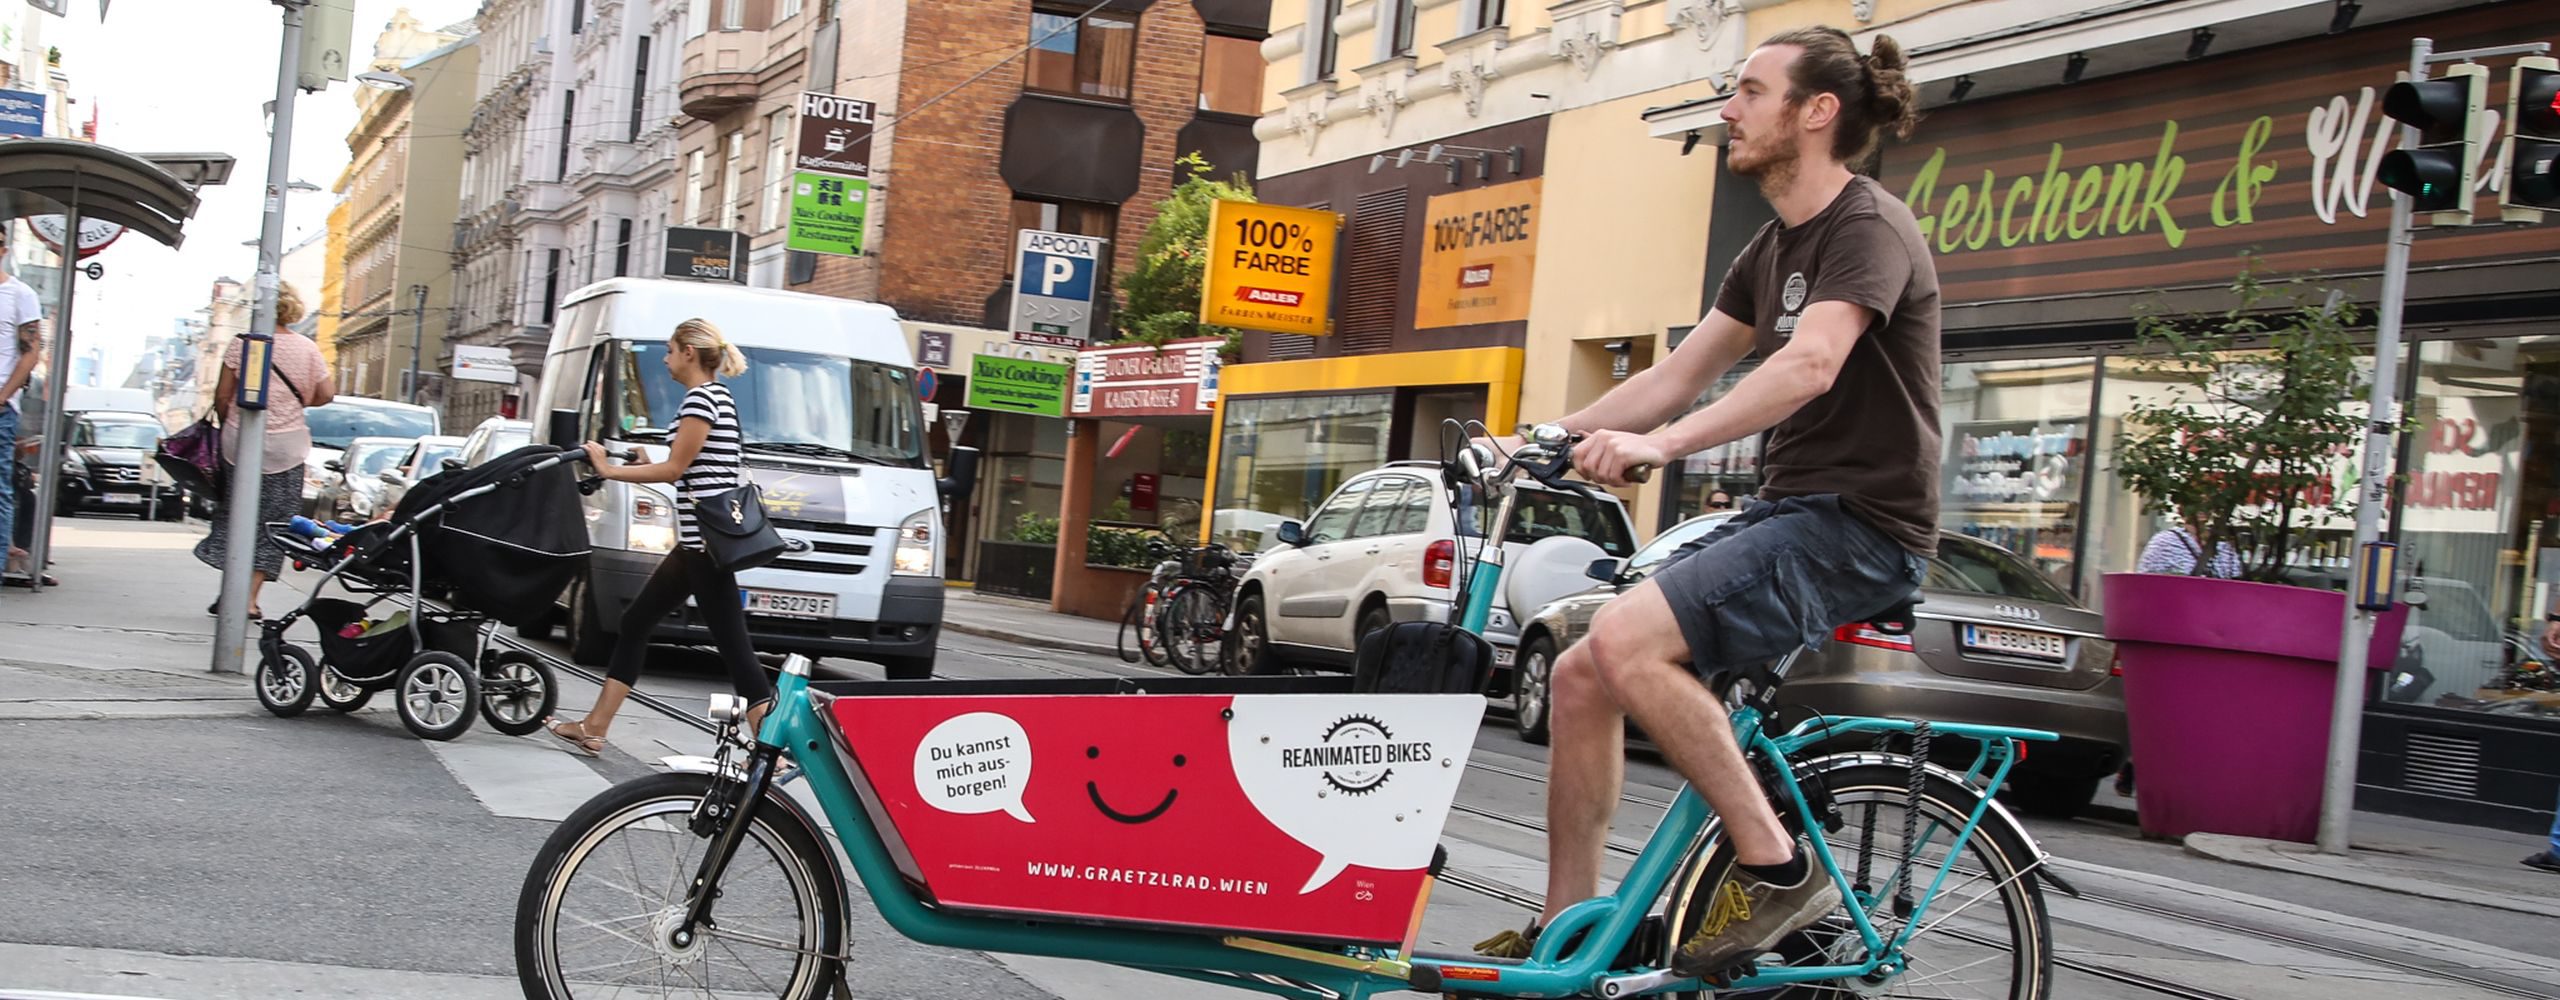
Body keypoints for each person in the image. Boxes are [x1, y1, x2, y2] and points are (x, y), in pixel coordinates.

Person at [1470, 27, 1934, 978]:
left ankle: (1775, 868)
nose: (1729, 109)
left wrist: (1662, 447)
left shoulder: (1868, 227)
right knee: (1581, 671)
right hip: (1793, 510)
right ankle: (1573, 936)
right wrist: (1535, 440)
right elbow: (1675, 379)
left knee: (1631, 639)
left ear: (1816, 113)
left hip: (1861, 523)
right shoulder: (1770, 248)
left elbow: (1810, 364)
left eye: (1750, 92)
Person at [547, 318, 770, 756]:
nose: (666, 360)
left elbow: (676, 471)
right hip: (696, 545)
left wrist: (609, 469)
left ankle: (771, 748)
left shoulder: (701, 401)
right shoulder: (714, 397)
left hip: (704, 546)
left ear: (690, 352)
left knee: (734, 647)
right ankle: (594, 726)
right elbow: (694, 474)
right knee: (636, 623)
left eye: (670, 351)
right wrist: (646, 459)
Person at [194, 286, 334, 618]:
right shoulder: (307, 349)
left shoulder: (243, 344)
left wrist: (231, 424)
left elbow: (222, 395)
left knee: (236, 517)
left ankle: (229, 593)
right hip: (286, 448)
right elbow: (327, 393)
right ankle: (249, 600)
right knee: (273, 523)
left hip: (240, 443)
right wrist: (298, 402)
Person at [0, 226, 45, 599]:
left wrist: (2, 397)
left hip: (0, 409)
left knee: (1, 491)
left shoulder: (20, 295)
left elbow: (31, 352)